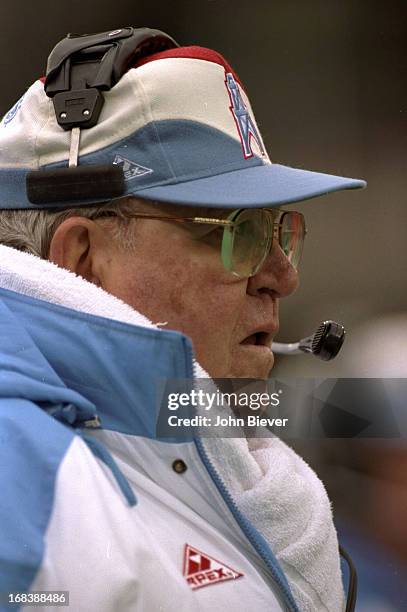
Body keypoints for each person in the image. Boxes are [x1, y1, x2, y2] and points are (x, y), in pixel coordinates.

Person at [0, 28, 365, 612]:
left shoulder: (212, 456)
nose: (282, 276)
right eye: (236, 232)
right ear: (82, 261)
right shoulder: (19, 473)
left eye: (279, 233)